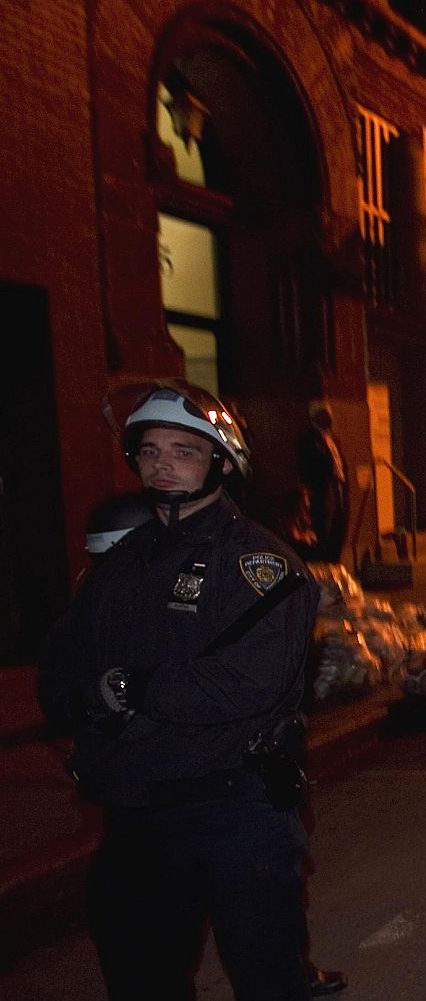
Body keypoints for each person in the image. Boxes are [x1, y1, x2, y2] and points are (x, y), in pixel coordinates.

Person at [37, 381, 325, 1001]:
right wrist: (95, 698)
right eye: (149, 451)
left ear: (221, 462)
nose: (162, 464)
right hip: (136, 815)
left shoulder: (257, 563)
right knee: (140, 977)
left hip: (233, 811)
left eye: (183, 450)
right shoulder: (121, 565)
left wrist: (135, 688)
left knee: (268, 976)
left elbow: (250, 681)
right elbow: (61, 672)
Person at [293, 400, 348, 564]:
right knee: (323, 523)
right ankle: (324, 559)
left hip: (338, 486)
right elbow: (307, 465)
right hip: (322, 488)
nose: (330, 419)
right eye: (326, 415)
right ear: (317, 417)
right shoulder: (309, 439)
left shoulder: (333, 439)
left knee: (339, 521)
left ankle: (335, 558)